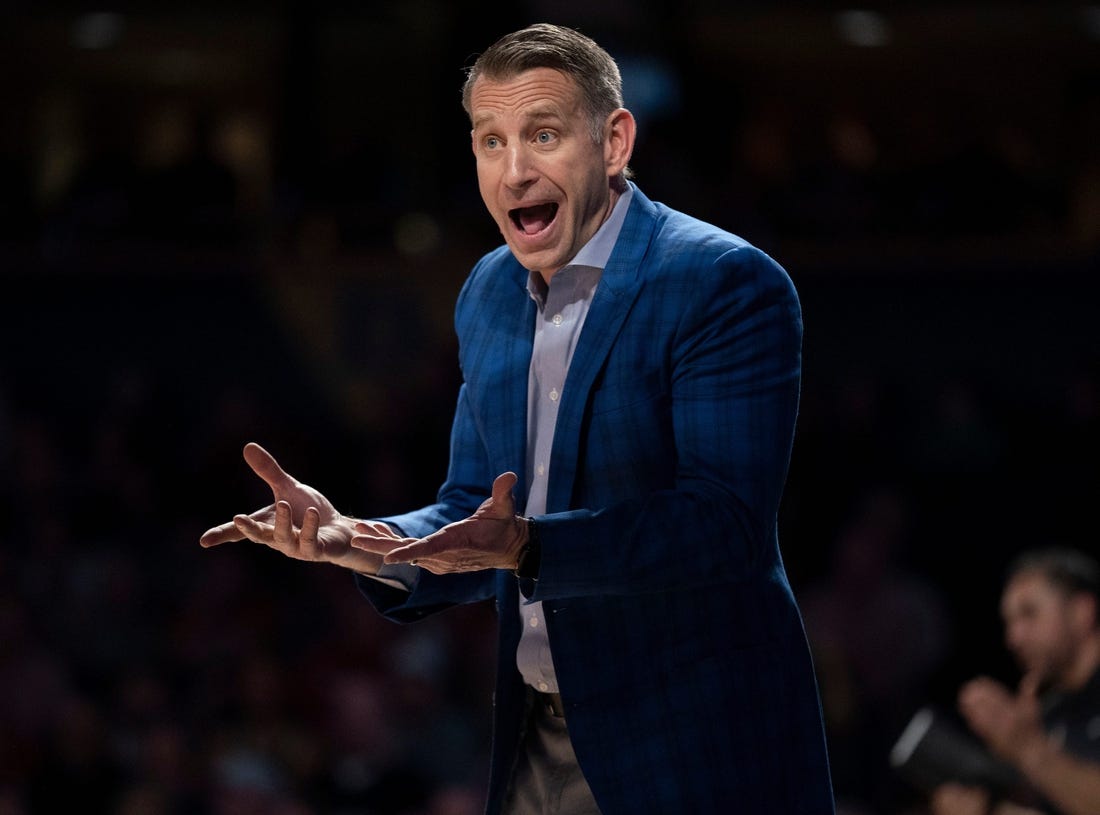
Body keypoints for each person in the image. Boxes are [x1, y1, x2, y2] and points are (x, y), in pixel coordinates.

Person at [200, 23, 834, 815]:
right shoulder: (488, 290)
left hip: (695, 742)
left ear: (613, 140)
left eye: (542, 135)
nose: (514, 170)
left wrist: (533, 546)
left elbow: (725, 524)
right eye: (490, 142)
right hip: (538, 740)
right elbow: (474, 510)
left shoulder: (723, 281)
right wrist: (361, 541)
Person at [930, 547, 1100, 815]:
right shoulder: (1046, 710)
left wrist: (1027, 748)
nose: (1014, 638)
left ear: (1082, 611)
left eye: (1029, 614)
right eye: (1008, 622)